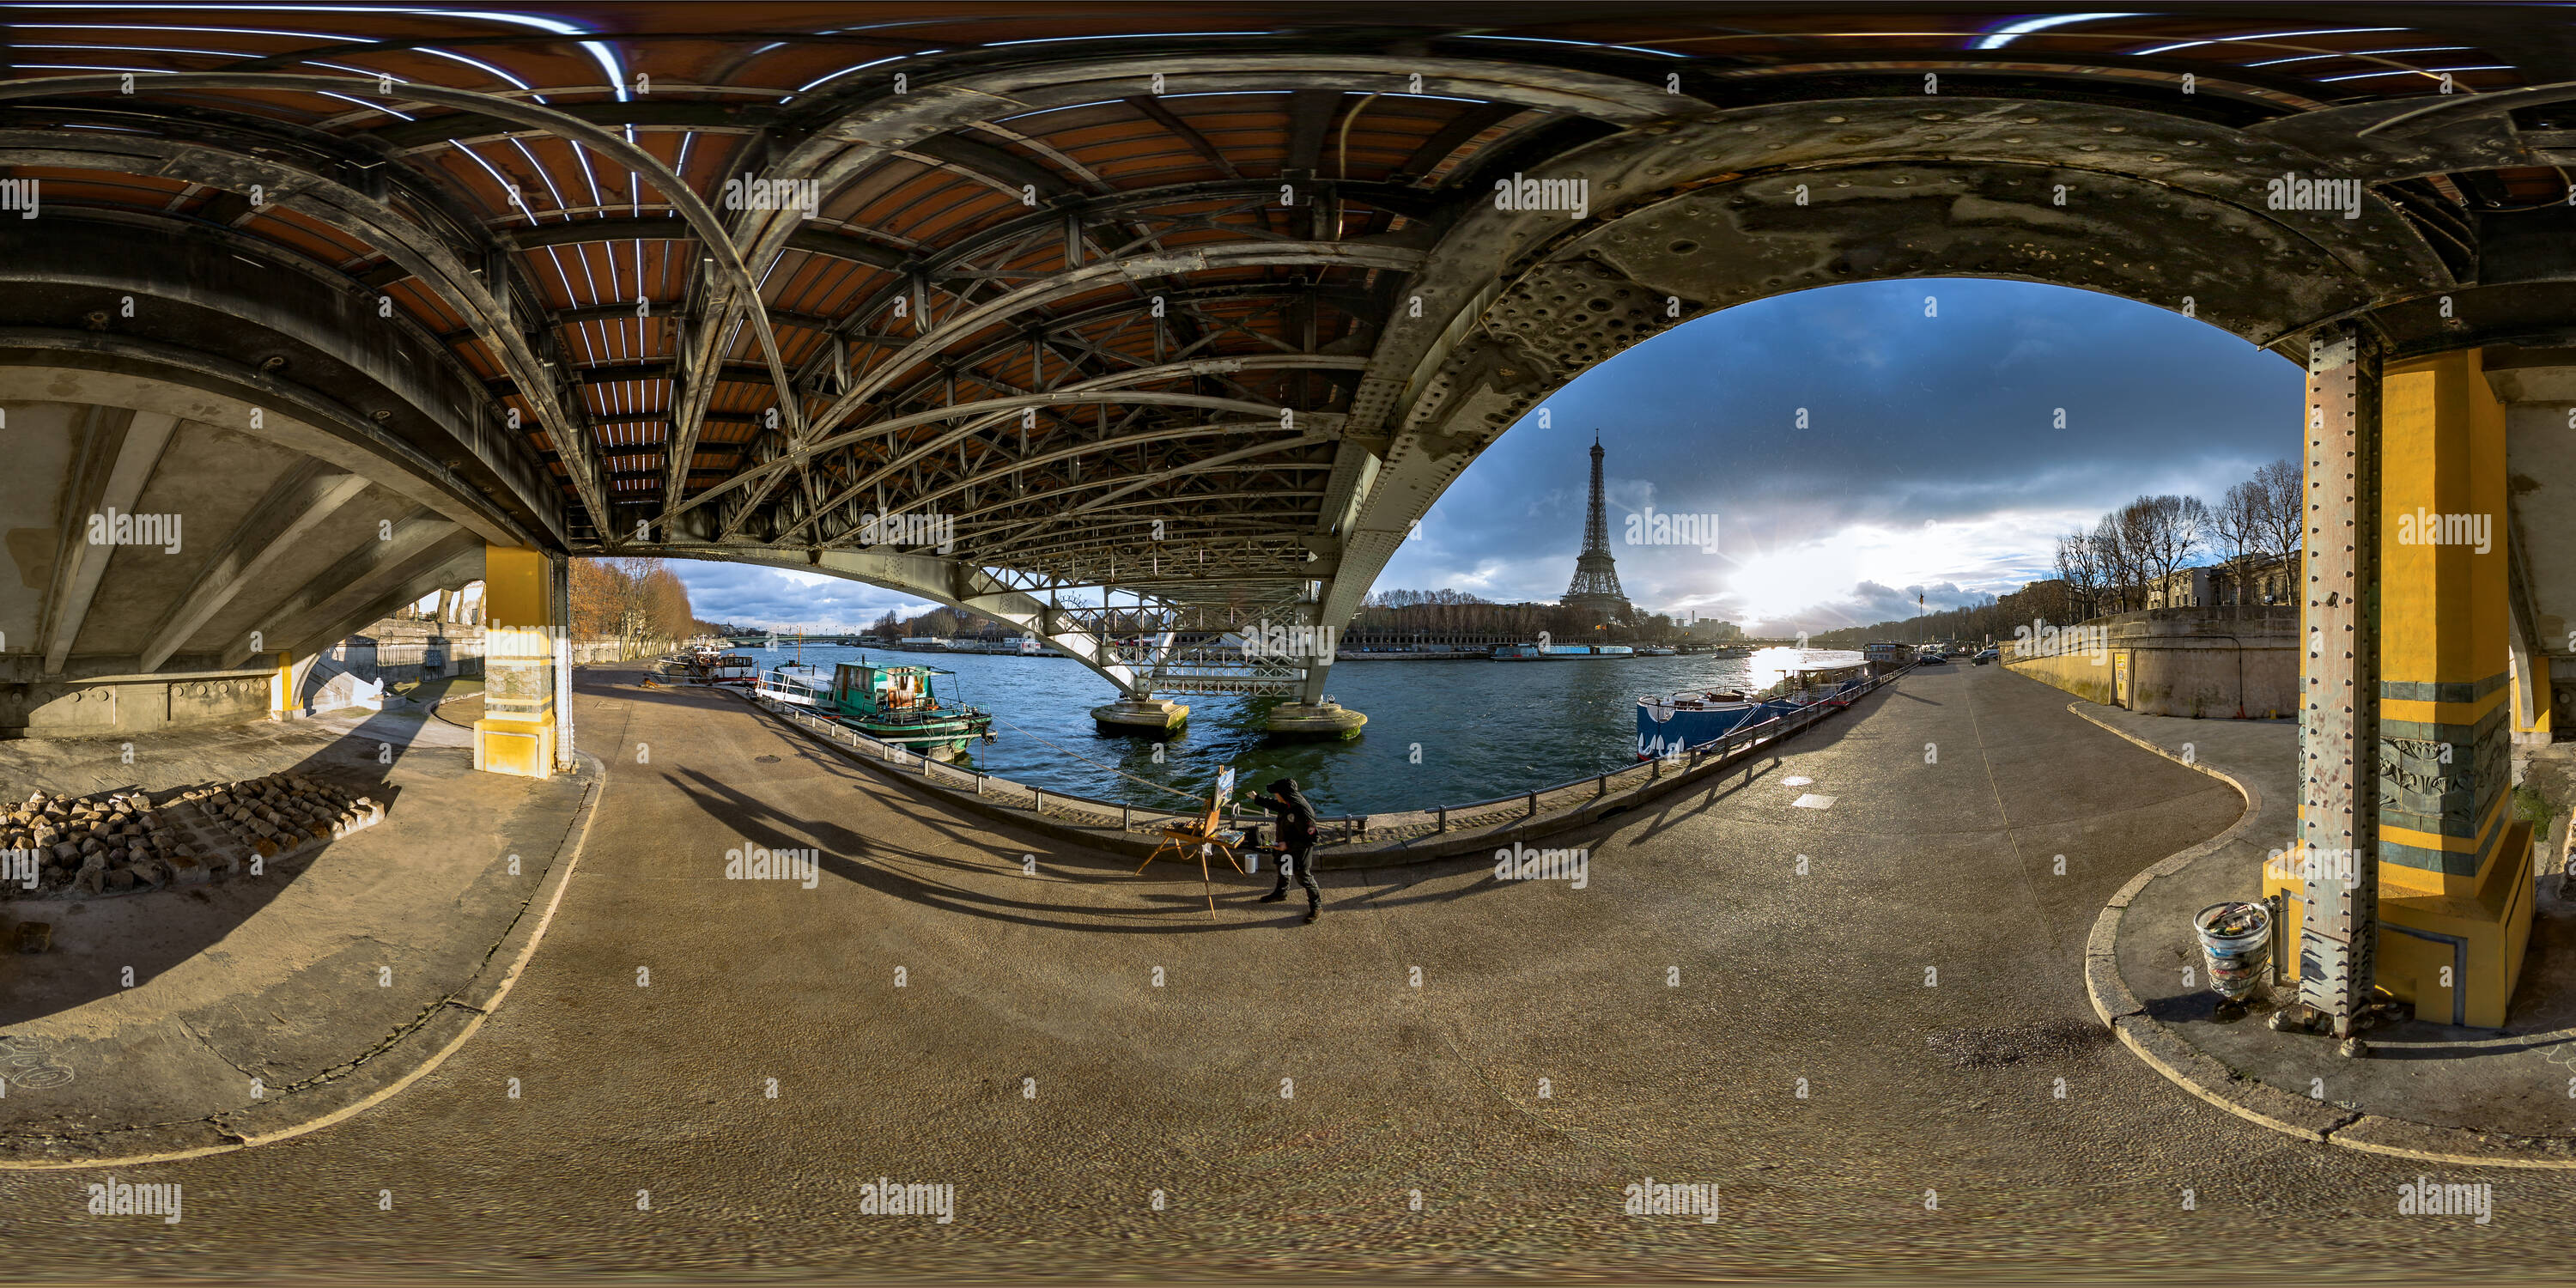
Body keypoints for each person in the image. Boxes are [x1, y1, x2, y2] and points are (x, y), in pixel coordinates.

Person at [1257, 776, 1321, 921]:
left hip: (1299, 852)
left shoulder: (1302, 811)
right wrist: (1257, 798)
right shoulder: (1288, 803)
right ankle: (1281, 893)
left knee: (1304, 878)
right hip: (1285, 848)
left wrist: (1288, 845)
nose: (1275, 795)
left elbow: (1314, 838)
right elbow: (1276, 805)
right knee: (1283, 869)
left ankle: (1316, 906)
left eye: (1276, 792)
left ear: (1284, 793)